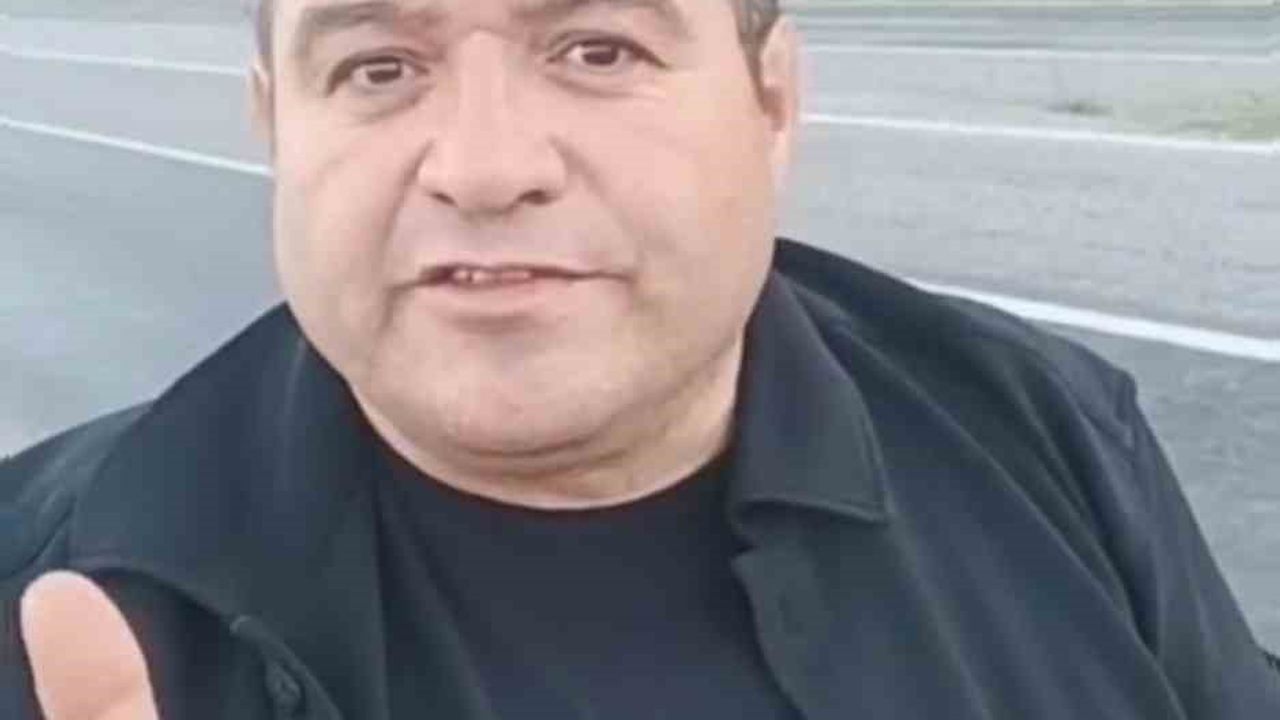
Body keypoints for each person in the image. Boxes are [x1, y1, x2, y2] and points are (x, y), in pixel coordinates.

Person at [2, 0, 1277, 717]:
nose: (486, 167)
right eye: (378, 67)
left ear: (769, 100)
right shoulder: (56, 586)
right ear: (278, 126)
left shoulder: (1044, 434)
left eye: (597, 49)